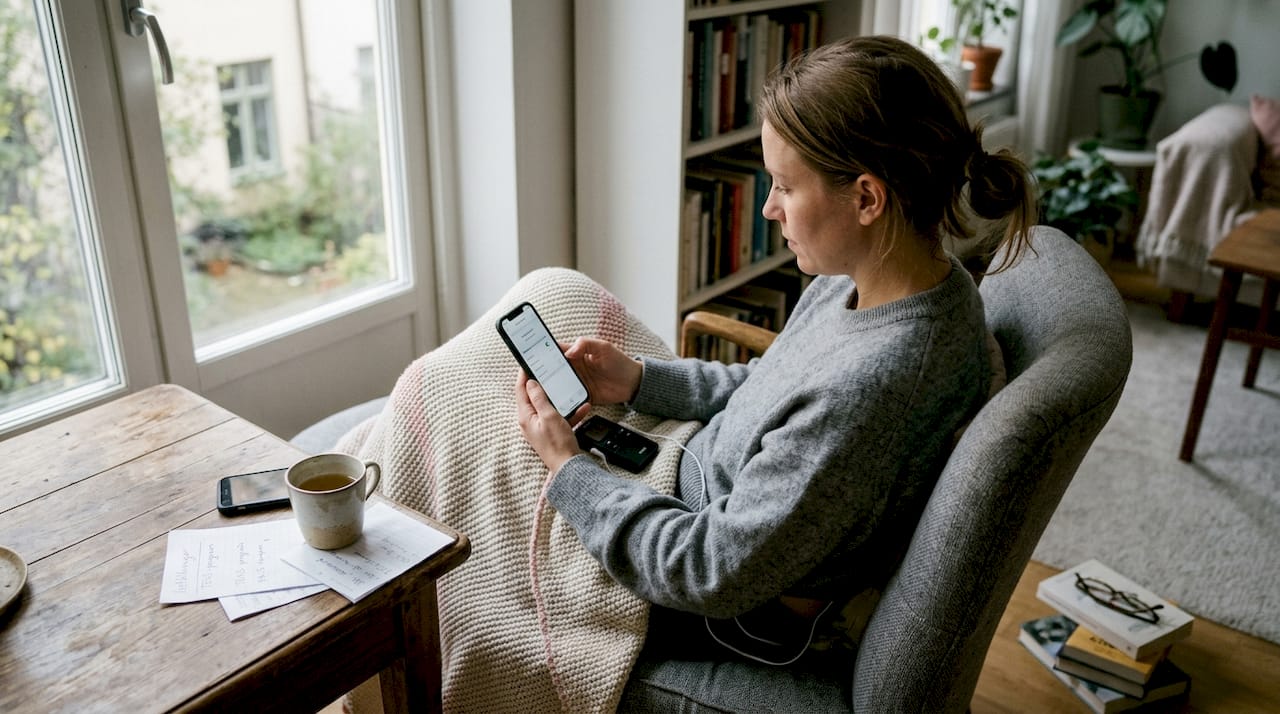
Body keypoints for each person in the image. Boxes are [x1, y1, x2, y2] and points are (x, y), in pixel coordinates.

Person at [344, 33, 1037, 713]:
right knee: (550, 292)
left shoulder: (879, 388)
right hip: (690, 468)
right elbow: (778, 391)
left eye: (785, 187)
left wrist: (568, 472)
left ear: (866, 198)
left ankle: (354, 557)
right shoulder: (881, 276)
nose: (768, 208)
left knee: (449, 402)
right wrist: (640, 381)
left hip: (689, 576)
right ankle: (375, 463)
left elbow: (709, 568)